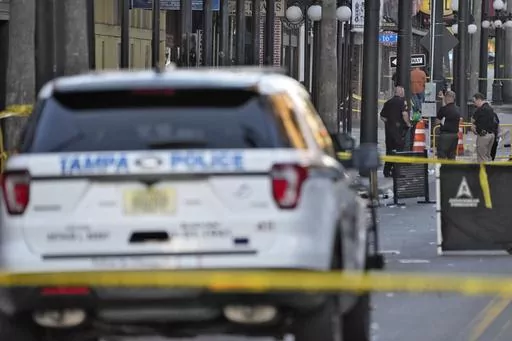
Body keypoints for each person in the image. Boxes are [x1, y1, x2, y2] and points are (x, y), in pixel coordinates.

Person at [380, 86, 412, 177]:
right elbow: (404, 114)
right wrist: (408, 124)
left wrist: (389, 122)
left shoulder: (388, 102)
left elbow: (382, 116)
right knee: (398, 151)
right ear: (401, 93)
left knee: (389, 150)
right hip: (399, 131)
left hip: (389, 131)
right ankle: (396, 171)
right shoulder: (403, 102)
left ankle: (386, 171)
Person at [472, 93, 498, 162]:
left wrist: (474, 127)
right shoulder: (490, 109)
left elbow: (473, 120)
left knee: (481, 157)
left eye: (474, 101)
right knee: (487, 156)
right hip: (491, 135)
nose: (474, 104)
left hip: (483, 136)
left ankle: (483, 172)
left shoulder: (480, 109)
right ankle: (490, 171)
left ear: (479, 100)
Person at [435, 90, 461, 159]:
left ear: (447, 98)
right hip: (455, 135)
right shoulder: (458, 109)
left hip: (445, 136)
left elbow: (437, 121)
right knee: (452, 155)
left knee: (441, 155)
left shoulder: (443, 109)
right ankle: (451, 169)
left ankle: (441, 169)